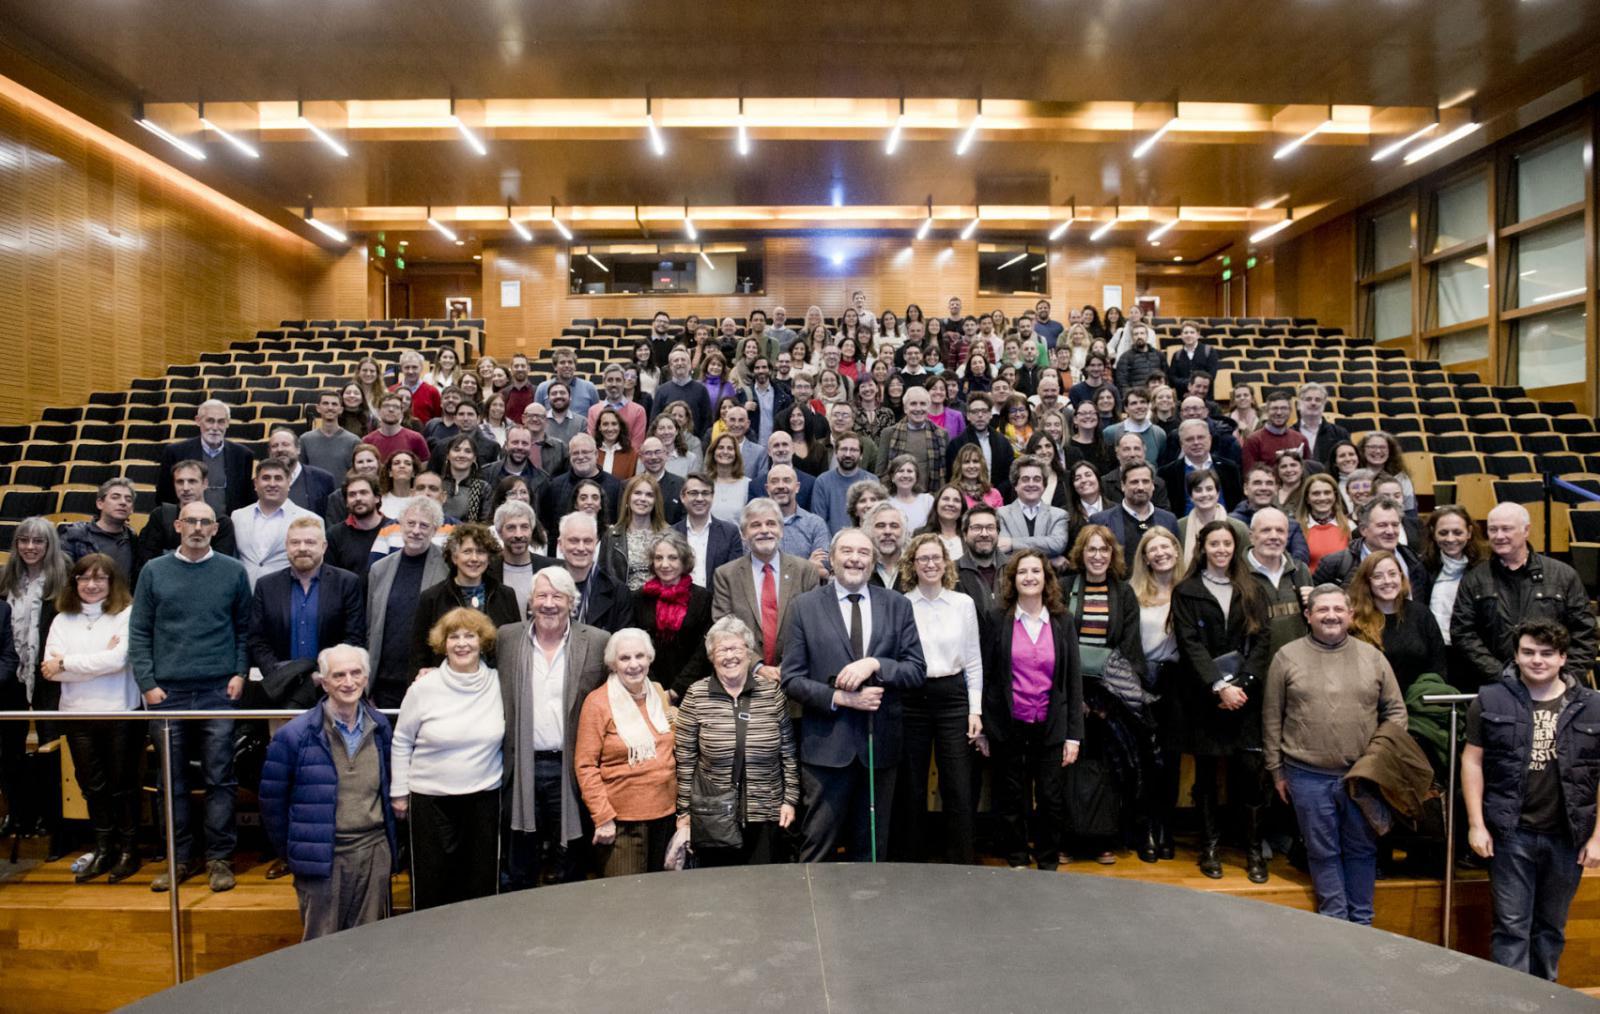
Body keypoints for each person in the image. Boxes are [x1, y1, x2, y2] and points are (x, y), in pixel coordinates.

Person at [1462, 619, 1600, 981]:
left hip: (1567, 836)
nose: (1537, 660)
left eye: (1547, 653)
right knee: (1511, 928)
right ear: (1516, 655)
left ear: (1563, 658)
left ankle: (1545, 999)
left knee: (1551, 928)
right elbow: (1472, 761)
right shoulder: (1491, 699)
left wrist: (1598, 837)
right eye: (1528, 652)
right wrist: (1476, 824)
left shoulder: (1594, 706)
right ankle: (1511, 1003)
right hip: (1511, 833)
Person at [127, 500, 253, 893]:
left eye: (205, 522)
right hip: (168, 693)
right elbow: (139, 631)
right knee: (171, 782)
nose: (198, 528)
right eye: (191, 521)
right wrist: (147, 683)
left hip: (219, 690)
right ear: (178, 526)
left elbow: (244, 628)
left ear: (215, 529)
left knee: (220, 779)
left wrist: (239, 672)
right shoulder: (154, 570)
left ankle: (219, 858)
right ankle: (178, 858)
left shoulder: (233, 571)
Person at [781, 528, 927, 862]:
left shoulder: (897, 605)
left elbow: (916, 670)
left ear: (873, 561)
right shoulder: (805, 606)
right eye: (846, 551)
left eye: (863, 553)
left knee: (872, 849)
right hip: (827, 749)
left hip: (880, 746)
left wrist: (875, 664)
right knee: (817, 847)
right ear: (831, 560)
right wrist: (841, 698)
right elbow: (791, 679)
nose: (855, 559)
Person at [1264, 584, 1407, 924]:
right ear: (1308, 615)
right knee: (1322, 852)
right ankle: (1334, 923)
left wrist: (1378, 759)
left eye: (1338, 609)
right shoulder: (1286, 657)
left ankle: (1362, 924)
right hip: (1306, 775)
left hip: (1362, 777)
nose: (1331, 616)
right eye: (1323, 610)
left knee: (1362, 850)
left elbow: (1397, 713)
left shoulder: (1373, 657)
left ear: (1351, 615)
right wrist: (1276, 769)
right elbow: (1271, 716)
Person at [259, 645, 397, 940]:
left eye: (356, 673)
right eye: (338, 675)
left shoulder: (381, 727)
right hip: (323, 858)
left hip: (373, 852)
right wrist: (299, 852)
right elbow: (272, 805)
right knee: (320, 949)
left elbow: (388, 788)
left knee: (370, 946)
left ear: (366, 678)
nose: (349, 682)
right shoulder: (294, 736)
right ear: (323, 682)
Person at [497, 566, 612, 888]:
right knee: (521, 863)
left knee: (570, 863)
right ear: (530, 601)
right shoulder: (507, 638)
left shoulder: (597, 641)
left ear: (571, 602)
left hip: (571, 768)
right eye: (542, 596)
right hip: (521, 767)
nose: (549, 604)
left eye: (557, 596)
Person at [1172, 519, 1272, 882]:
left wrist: (1243, 684)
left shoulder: (1253, 588)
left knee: (1249, 776)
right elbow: (1189, 644)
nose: (1221, 550)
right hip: (1206, 699)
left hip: (1246, 698)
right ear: (1203, 548)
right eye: (1214, 543)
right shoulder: (1187, 591)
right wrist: (1218, 686)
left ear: (1236, 547)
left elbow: (1263, 639)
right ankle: (1210, 847)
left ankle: (1253, 851)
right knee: (1207, 776)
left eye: (1227, 543)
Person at [390, 607, 503, 909]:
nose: (462, 643)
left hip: (483, 799)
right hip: (431, 802)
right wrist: (399, 792)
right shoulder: (423, 687)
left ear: (483, 642)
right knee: (433, 886)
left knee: (480, 885)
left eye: (470, 636)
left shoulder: (498, 683)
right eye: (454, 637)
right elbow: (401, 741)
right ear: (443, 643)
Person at [40, 553, 142, 884]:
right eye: (84, 578)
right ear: (75, 582)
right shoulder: (61, 619)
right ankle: (103, 848)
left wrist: (67, 662)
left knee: (122, 785)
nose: (91, 584)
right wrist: (94, 660)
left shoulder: (126, 614)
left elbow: (118, 660)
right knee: (91, 786)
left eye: (100, 578)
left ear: (112, 582)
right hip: (76, 714)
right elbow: (49, 671)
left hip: (119, 711)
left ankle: (128, 850)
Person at [982, 549, 1082, 870]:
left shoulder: (1063, 620)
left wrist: (1074, 736)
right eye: (1022, 572)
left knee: (1051, 797)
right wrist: (984, 727)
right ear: (1013, 579)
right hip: (1008, 724)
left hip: (1051, 724)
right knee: (1011, 796)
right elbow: (987, 675)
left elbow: (1073, 679)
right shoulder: (997, 619)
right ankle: (1017, 857)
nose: (1029, 577)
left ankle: (1048, 860)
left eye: (1036, 571)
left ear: (1046, 577)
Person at [673, 617, 798, 866]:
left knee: (764, 884)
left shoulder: (772, 693)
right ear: (711, 657)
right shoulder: (696, 695)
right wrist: (684, 812)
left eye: (736, 648)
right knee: (721, 884)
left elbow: (788, 753)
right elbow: (685, 761)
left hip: (767, 811)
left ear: (749, 653)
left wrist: (790, 801)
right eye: (722, 650)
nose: (729, 656)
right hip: (713, 816)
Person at [1453, 502, 1596, 687]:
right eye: (1493, 529)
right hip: (1494, 686)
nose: (1499, 536)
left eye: (1506, 529)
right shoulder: (1474, 579)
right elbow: (1463, 634)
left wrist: (1564, 676)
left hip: (1556, 687)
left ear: (1526, 530)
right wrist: (1501, 675)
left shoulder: (1563, 575)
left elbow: (1585, 632)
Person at [574, 628, 676, 876]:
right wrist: (603, 817)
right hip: (621, 824)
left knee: (664, 894)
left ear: (649, 658)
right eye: (624, 658)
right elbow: (585, 765)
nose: (634, 664)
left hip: (666, 817)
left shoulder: (658, 694)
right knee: (626, 897)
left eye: (639, 656)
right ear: (613, 664)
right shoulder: (598, 702)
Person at [248, 517, 366, 707]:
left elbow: (354, 637)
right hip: (281, 691)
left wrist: (323, 675)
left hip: (332, 689)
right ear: (287, 546)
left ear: (324, 546)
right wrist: (284, 677)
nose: (302, 548)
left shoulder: (347, 583)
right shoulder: (266, 586)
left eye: (310, 542)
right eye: (295, 542)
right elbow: (257, 639)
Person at [713, 498, 821, 683]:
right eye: (755, 525)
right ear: (743, 534)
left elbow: (813, 626)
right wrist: (757, 666)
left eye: (771, 523)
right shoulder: (726, 575)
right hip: (744, 678)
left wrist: (788, 666)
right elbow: (723, 628)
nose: (764, 530)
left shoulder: (806, 571)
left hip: (797, 678)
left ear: (781, 530)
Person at [1130, 527, 1183, 862]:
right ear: (1146, 558)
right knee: (1146, 758)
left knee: (1171, 759)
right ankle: (1145, 827)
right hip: (1142, 679)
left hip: (1176, 682)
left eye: (1166, 547)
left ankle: (1166, 827)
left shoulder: (1190, 589)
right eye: (1153, 549)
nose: (1161, 553)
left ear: (1176, 551)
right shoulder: (1133, 592)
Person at [366, 498, 448, 708]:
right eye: (411, 523)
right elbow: (371, 626)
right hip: (384, 682)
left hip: (428, 679)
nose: (416, 531)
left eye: (424, 525)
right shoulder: (379, 569)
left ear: (435, 530)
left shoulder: (448, 568)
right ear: (400, 525)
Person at [411, 521, 523, 674]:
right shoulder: (432, 597)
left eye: (481, 552)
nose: (474, 558)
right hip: (447, 681)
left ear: (488, 557)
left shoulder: (506, 595)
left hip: (495, 681)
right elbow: (419, 653)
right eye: (467, 551)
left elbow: (515, 646)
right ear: (454, 557)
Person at [630, 531, 711, 700]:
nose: (664, 564)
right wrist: (654, 687)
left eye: (673, 558)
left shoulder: (702, 598)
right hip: (647, 688)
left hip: (693, 689)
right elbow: (635, 645)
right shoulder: (639, 598)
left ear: (684, 561)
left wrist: (677, 689)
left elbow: (703, 649)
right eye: (658, 558)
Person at [1313, 497, 1431, 601]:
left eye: (1395, 525)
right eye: (1382, 525)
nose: (1390, 531)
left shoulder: (1413, 561)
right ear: (1363, 530)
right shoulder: (1335, 563)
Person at [157, 400, 258, 516]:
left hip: (229, 523)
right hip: (187, 522)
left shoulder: (243, 455)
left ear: (228, 423)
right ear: (198, 421)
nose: (215, 427)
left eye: (221, 421)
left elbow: (247, 498)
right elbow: (164, 496)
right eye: (210, 421)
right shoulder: (175, 452)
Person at [1423, 505, 1487, 688]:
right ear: (1433, 533)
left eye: (1457, 532)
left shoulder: (1484, 569)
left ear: (1469, 532)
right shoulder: (1422, 568)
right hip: (1435, 653)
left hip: (1473, 653)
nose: (1450, 539)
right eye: (1443, 533)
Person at [232, 459, 317, 587]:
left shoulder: (310, 519)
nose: (272, 484)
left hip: (287, 592)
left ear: (289, 482)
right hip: (245, 593)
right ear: (255, 483)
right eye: (266, 478)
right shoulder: (238, 516)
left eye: (278, 478)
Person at [141, 460, 240, 564]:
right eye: (180, 482)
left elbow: (221, 565)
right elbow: (147, 560)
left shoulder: (221, 522)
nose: (185, 488)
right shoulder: (160, 516)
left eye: (192, 481)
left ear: (205, 483)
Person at [553, 511, 633, 633]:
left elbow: (624, 641)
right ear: (560, 544)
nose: (581, 548)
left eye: (587, 541)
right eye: (574, 541)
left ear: (596, 543)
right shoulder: (545, 586)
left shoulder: (618, 593)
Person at [1089, 461, 1179, 562]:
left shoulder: (1169, 520)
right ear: (1123, 485)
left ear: (1153, 485)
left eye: (1145, 481)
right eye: (1134, 482)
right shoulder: (1100, 521)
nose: (1141, 487)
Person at [1231, 464, 1311, 564]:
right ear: (1246, 488)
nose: (1264, 488)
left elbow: (1300, 559)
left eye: (1269, 483)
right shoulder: (1231, 523)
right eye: (1257, 483)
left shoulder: (1291, 525)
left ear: (1277, 489)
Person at [674, 473, 743, 587]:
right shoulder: (672, 533)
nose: (700, 498)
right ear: (682, 497)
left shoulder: (730, 533)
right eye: (693, 493)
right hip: (681, 596)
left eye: (705, 493)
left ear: (712, 496)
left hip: (718, 597)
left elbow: (735, 575)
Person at [1161, 418, 1244, 514]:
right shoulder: (1167, 473)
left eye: (1200, 437)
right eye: (1189, 439)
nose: (1196, 443)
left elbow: (1238, 503)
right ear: (1181, 444)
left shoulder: (1229, 468)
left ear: (1210, 439)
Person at [997, 455, 1070, 563]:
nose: (1031, 484)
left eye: (1037, 479)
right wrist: (1049, 561)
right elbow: (1002, 552)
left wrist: (1012, 543)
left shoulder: (1059, 515)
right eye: (1025, 479)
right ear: (1015, 485)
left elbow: (1056, 544)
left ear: (1044, 485)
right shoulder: (1001, 514)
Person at [878, 385, 949, 490]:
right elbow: (880, 473)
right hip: (897, 495)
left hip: (931, 495)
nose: (918, 408)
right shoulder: (889, 434)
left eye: (923, 404)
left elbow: (947, 473)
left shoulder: (942, 434)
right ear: (905, 408)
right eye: (913, 404)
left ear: (929, 407)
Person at [765, 464, 829, 574]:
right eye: (774, 481)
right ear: (767, 488)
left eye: (787, 481)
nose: (781, 486)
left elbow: (823, 570)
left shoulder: (815, 524)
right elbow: (754, 569)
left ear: (797, 487)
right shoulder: (757, 526)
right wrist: (808, 566)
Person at [325, 472, 387, 579]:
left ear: (377, 498)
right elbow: (330, 578)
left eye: (363, 493)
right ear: (346, 502)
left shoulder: (394, 529)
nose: (358, 498)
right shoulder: (334, 535)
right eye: (352, 494)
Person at [268, 428, 338, 518]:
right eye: (274, 446)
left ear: (298, 449)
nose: (280, 449)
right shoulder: (261, 483)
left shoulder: (323, 479)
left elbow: (331, 518)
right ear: (269, 453)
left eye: (285, 444)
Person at [1296, 472, 1351, 570]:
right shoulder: (1297, 529)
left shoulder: (1350, 526)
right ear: (1307, 498)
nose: (1322, 498)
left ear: (1335, 496)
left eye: (1327, 493)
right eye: (1316, 493)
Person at [653, 346, 713, 434]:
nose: (680, 363)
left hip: (695, 440)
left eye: (683, 360)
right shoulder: (661, 391)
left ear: (690, 365)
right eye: (676, 360)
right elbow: (655, 421)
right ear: (670, 366)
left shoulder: (701, 389)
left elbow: (707, 421)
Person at [363, 393, 433, 464]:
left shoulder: (416, 439)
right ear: (378, 411)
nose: (391, 409)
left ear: (402, 413)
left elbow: (424, 465)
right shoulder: (367, 441)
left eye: (396, 407)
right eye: (386, 406)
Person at [1295, 382, 1350, 468]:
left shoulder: (1340, 433)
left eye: (1318, 400)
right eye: (1308, 399)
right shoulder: (1290, 433)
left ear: (1324, 405)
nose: (1313, 403)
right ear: (1299, 405)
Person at [390, 350, 443, 423]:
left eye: (414, 367)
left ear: (421, 368)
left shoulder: (432, 392)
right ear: (401, 368)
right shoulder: (391, 391)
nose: (410, 371)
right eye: (407, 367)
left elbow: (438, 419)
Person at [1165, 321, 1219, 391]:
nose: (1189, 335)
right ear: (1181, 335)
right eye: (1186, 333)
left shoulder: (1210, 351)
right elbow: (1173, 378)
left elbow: (1211, 375)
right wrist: (1189, 384)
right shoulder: (1177, 355)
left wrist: (1196, 385)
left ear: (1198, 335)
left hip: (1204, 394)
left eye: (1192, 332)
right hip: (1183, 394)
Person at [1112, 322, 1166, 392]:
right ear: (1132, 337)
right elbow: (1122, 383)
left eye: (1142, 333)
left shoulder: (1159, 354)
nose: (1139, 336)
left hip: (1157, 393)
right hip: (1138, 395)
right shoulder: (1125, 357)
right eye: (1136, 334)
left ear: (1147, 335)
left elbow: (1166, 376)